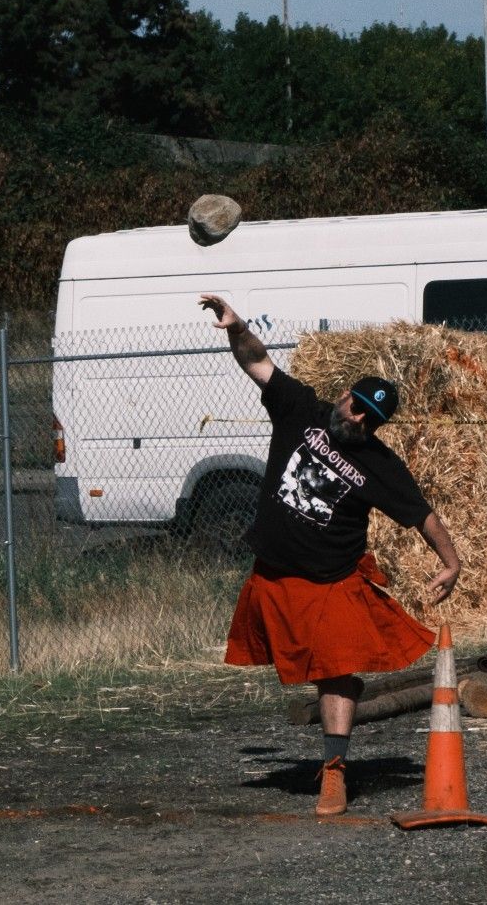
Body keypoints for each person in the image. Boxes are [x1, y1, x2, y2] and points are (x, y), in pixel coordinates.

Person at [198, 294, 463, 817]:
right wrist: (237, 326)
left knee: (337, 669)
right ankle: (332, 756)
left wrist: (452, 561)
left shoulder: (377, 463)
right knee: (299, 668)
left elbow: (423, 516)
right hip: (275, 573)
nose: (359, 419)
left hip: (332, 578)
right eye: (357, 406)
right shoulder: (301, 409)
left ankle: (334, 772)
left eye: (372, 419)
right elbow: (257, 360)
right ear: (345, 395)